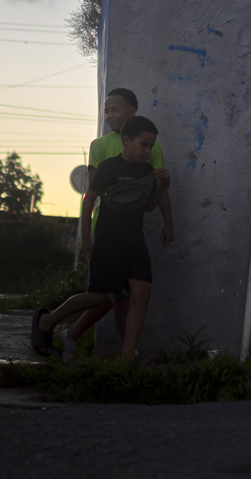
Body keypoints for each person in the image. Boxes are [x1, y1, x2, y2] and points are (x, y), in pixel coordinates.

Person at [32, 115, 169, 364]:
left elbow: (147, 206)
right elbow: (88, 201)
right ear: (127, 141)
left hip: (134, 243)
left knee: (142, 291)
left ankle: (128, 358)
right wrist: (86, 239)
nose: (148, 150)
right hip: (107, 242)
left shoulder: (147, 170)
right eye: (144, 144)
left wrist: (163, 186)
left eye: (151, 146)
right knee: (100, 298)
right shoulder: (109, 167)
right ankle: (48, 320)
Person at [78, 88, 175, 346]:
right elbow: (91, 193)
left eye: (115, 109)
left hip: (133, 229)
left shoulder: (148, 146)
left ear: (132, 111)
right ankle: (71, 331)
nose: (109, 115)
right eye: (106, 110)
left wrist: (168, 222)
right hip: (107, 228)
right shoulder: (100, 147)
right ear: (127, 141)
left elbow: (156, 188)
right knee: (109, 296)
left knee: (136, 291)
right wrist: (86, 236)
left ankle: (127, 353)